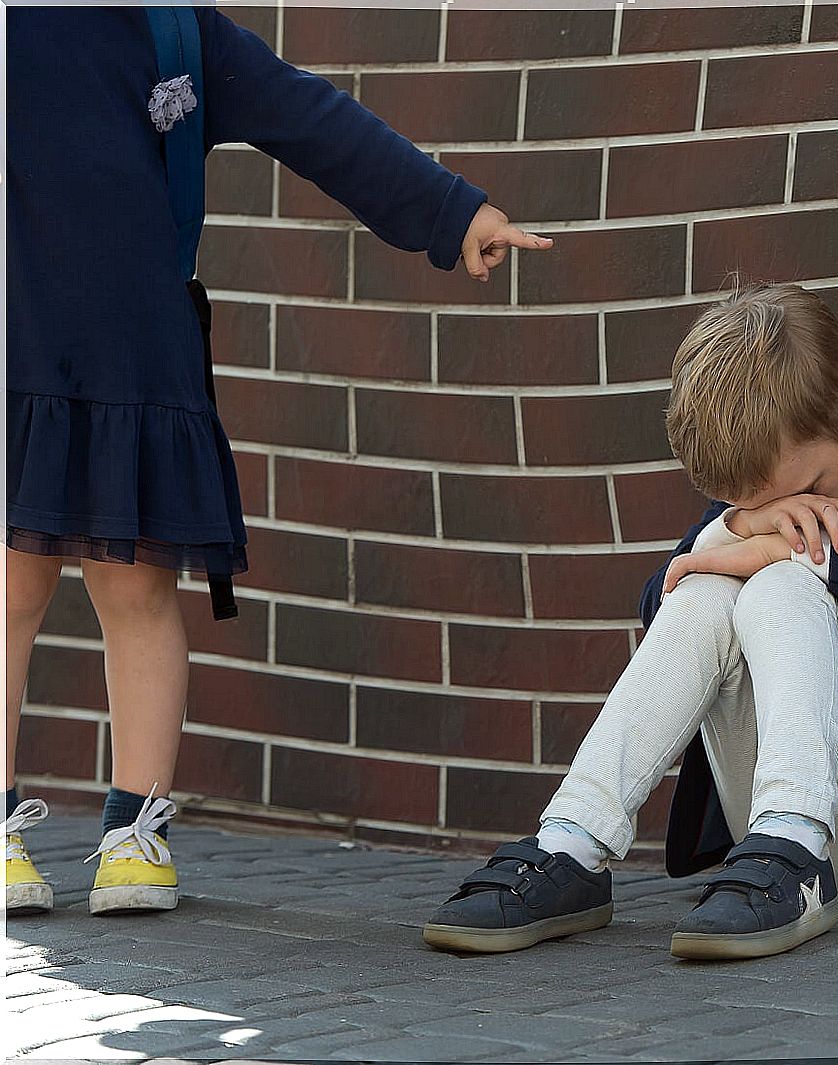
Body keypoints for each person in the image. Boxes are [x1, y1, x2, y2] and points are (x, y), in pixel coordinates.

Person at [5, 6, 552, 918]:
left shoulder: (176, 31)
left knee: (135, 590)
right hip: (14, 344)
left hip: (139, 360)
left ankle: (135, 827)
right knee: (11, 588)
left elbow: (312, 119)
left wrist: (456, 214)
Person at [423, 282, 838, 960]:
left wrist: (793, 553)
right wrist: (733, 528)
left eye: (805, 495)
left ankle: (797, 847)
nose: (789, 516)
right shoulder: (760, 492)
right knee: (707, 588)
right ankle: (572, 841)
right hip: (756, 837)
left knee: (774, 583)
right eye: (759, 509)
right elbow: (663, 604)